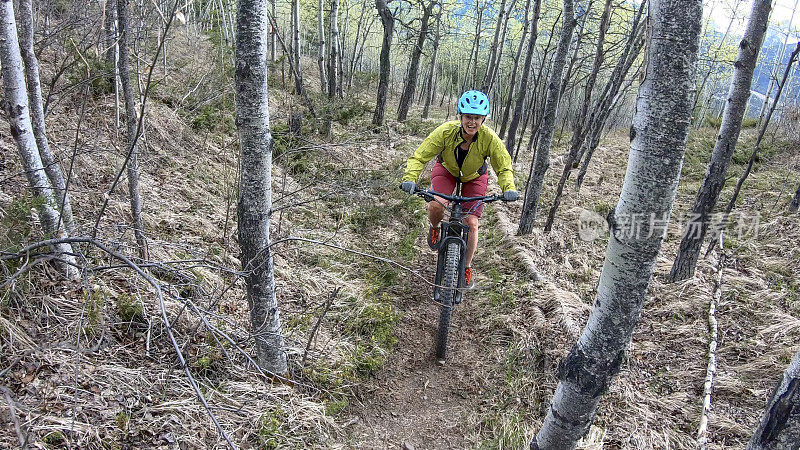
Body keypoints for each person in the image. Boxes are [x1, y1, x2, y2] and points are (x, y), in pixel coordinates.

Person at [399, 90, 518, 287]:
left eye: (477, 118)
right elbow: (420, 155)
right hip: (446, 169)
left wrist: (509, 188)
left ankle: (466, 267)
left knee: (471, 222)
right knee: (436, 205)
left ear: (483, 119)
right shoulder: (445, 131)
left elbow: (503, 166)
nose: (472, 122)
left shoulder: (489, 138)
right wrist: (410, 178)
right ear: (461, 116)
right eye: (468, 117)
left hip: (474, 176)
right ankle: (435, 228)